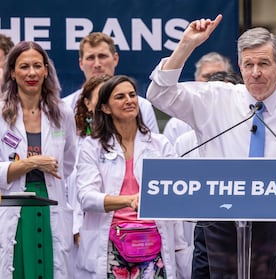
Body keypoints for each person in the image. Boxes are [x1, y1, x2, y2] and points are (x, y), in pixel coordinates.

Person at [147, 15, 276, 278]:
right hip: (216, 227)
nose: (255, 72)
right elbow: (159, 94)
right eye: (249, 64)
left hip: (272, 231)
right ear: (240, 66)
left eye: (263, 64)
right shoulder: (215, 98)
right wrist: (186, 46)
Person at [75, 75, 191, 278]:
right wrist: (128, 201)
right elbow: (86, 197)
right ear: (105, 108)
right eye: (120, 97)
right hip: (111, 242)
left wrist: (179, 245)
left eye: (132, 95)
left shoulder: (160, 144)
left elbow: (176, 191)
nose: (129, 100)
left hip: (154, 241)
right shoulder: (92, 146)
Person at [0, 41, 77, 278]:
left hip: (50, 201)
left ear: (46, 70)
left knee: (51, 269)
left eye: (37, 66)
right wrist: (31, 163)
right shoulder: (1, 113)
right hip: (14, 206)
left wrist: (42, 165)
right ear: (12, 72)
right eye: (24, 67)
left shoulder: (62, 112)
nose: (31, 73)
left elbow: (67, 162)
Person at [62, 32, 159, 133]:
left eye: (102, 56)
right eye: (91, 58)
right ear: (81, 63)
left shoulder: (141, 106)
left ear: (115, 59)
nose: (97, 64)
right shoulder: (64, 107)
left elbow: (152, 146)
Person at [66, 74, 111, 247]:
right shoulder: (75, 139)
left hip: (119, 230)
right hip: (75, 232)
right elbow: (68, 186)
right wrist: (75, 228)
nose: (105, 104)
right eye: (101, 97)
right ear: (87, 103)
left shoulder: (128, 139)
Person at [162, 51, 235, 144]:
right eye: (206, 76)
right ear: (196, 80)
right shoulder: (176, 124)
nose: (212, 81)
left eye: (219, 76)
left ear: (228, 80)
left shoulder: (240, 114)